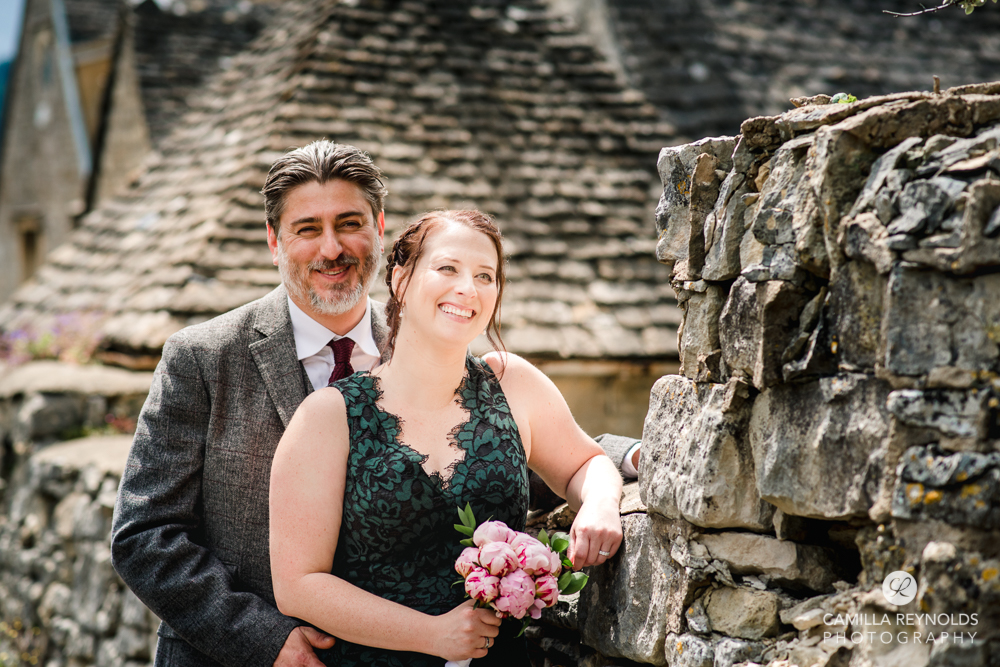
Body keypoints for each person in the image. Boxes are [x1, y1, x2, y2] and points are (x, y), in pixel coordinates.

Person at [268, 210, 624, 666]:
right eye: (448, 269)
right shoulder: (328, 416)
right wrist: (431, 635)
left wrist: (598, 504)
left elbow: (584, 464)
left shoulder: (513, 383)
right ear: (401, 279)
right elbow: (298, 585)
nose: (468, 289)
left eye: (485, 276)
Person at [111, 141, 391, 667]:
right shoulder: (202, 358)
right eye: (308, 229)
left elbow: (521, 461)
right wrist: (264, 641)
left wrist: (599, 478)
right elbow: (144, 534)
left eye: (348, 223)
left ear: (379, 227)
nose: (331, 248)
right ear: (274, 242)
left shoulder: (427, 351)